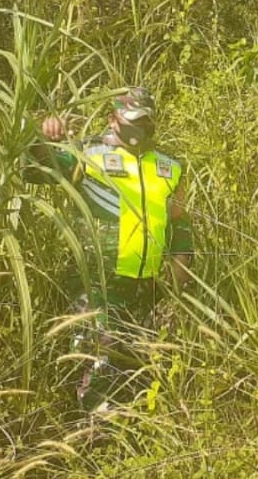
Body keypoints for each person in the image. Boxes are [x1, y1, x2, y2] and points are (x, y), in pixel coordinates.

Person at [27, 86, 193, 402]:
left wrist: (180, 266)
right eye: (131, 119)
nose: (138, 127)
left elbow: (179, 221)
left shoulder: (170, 168)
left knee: (138, 372)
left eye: (145, 121)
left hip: (148, 288)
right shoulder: (88, 156)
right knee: (100, 363)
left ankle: (121, 442)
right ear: (112, 119)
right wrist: (42, 135)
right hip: (98, 283)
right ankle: (91, 438)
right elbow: (35, 169)